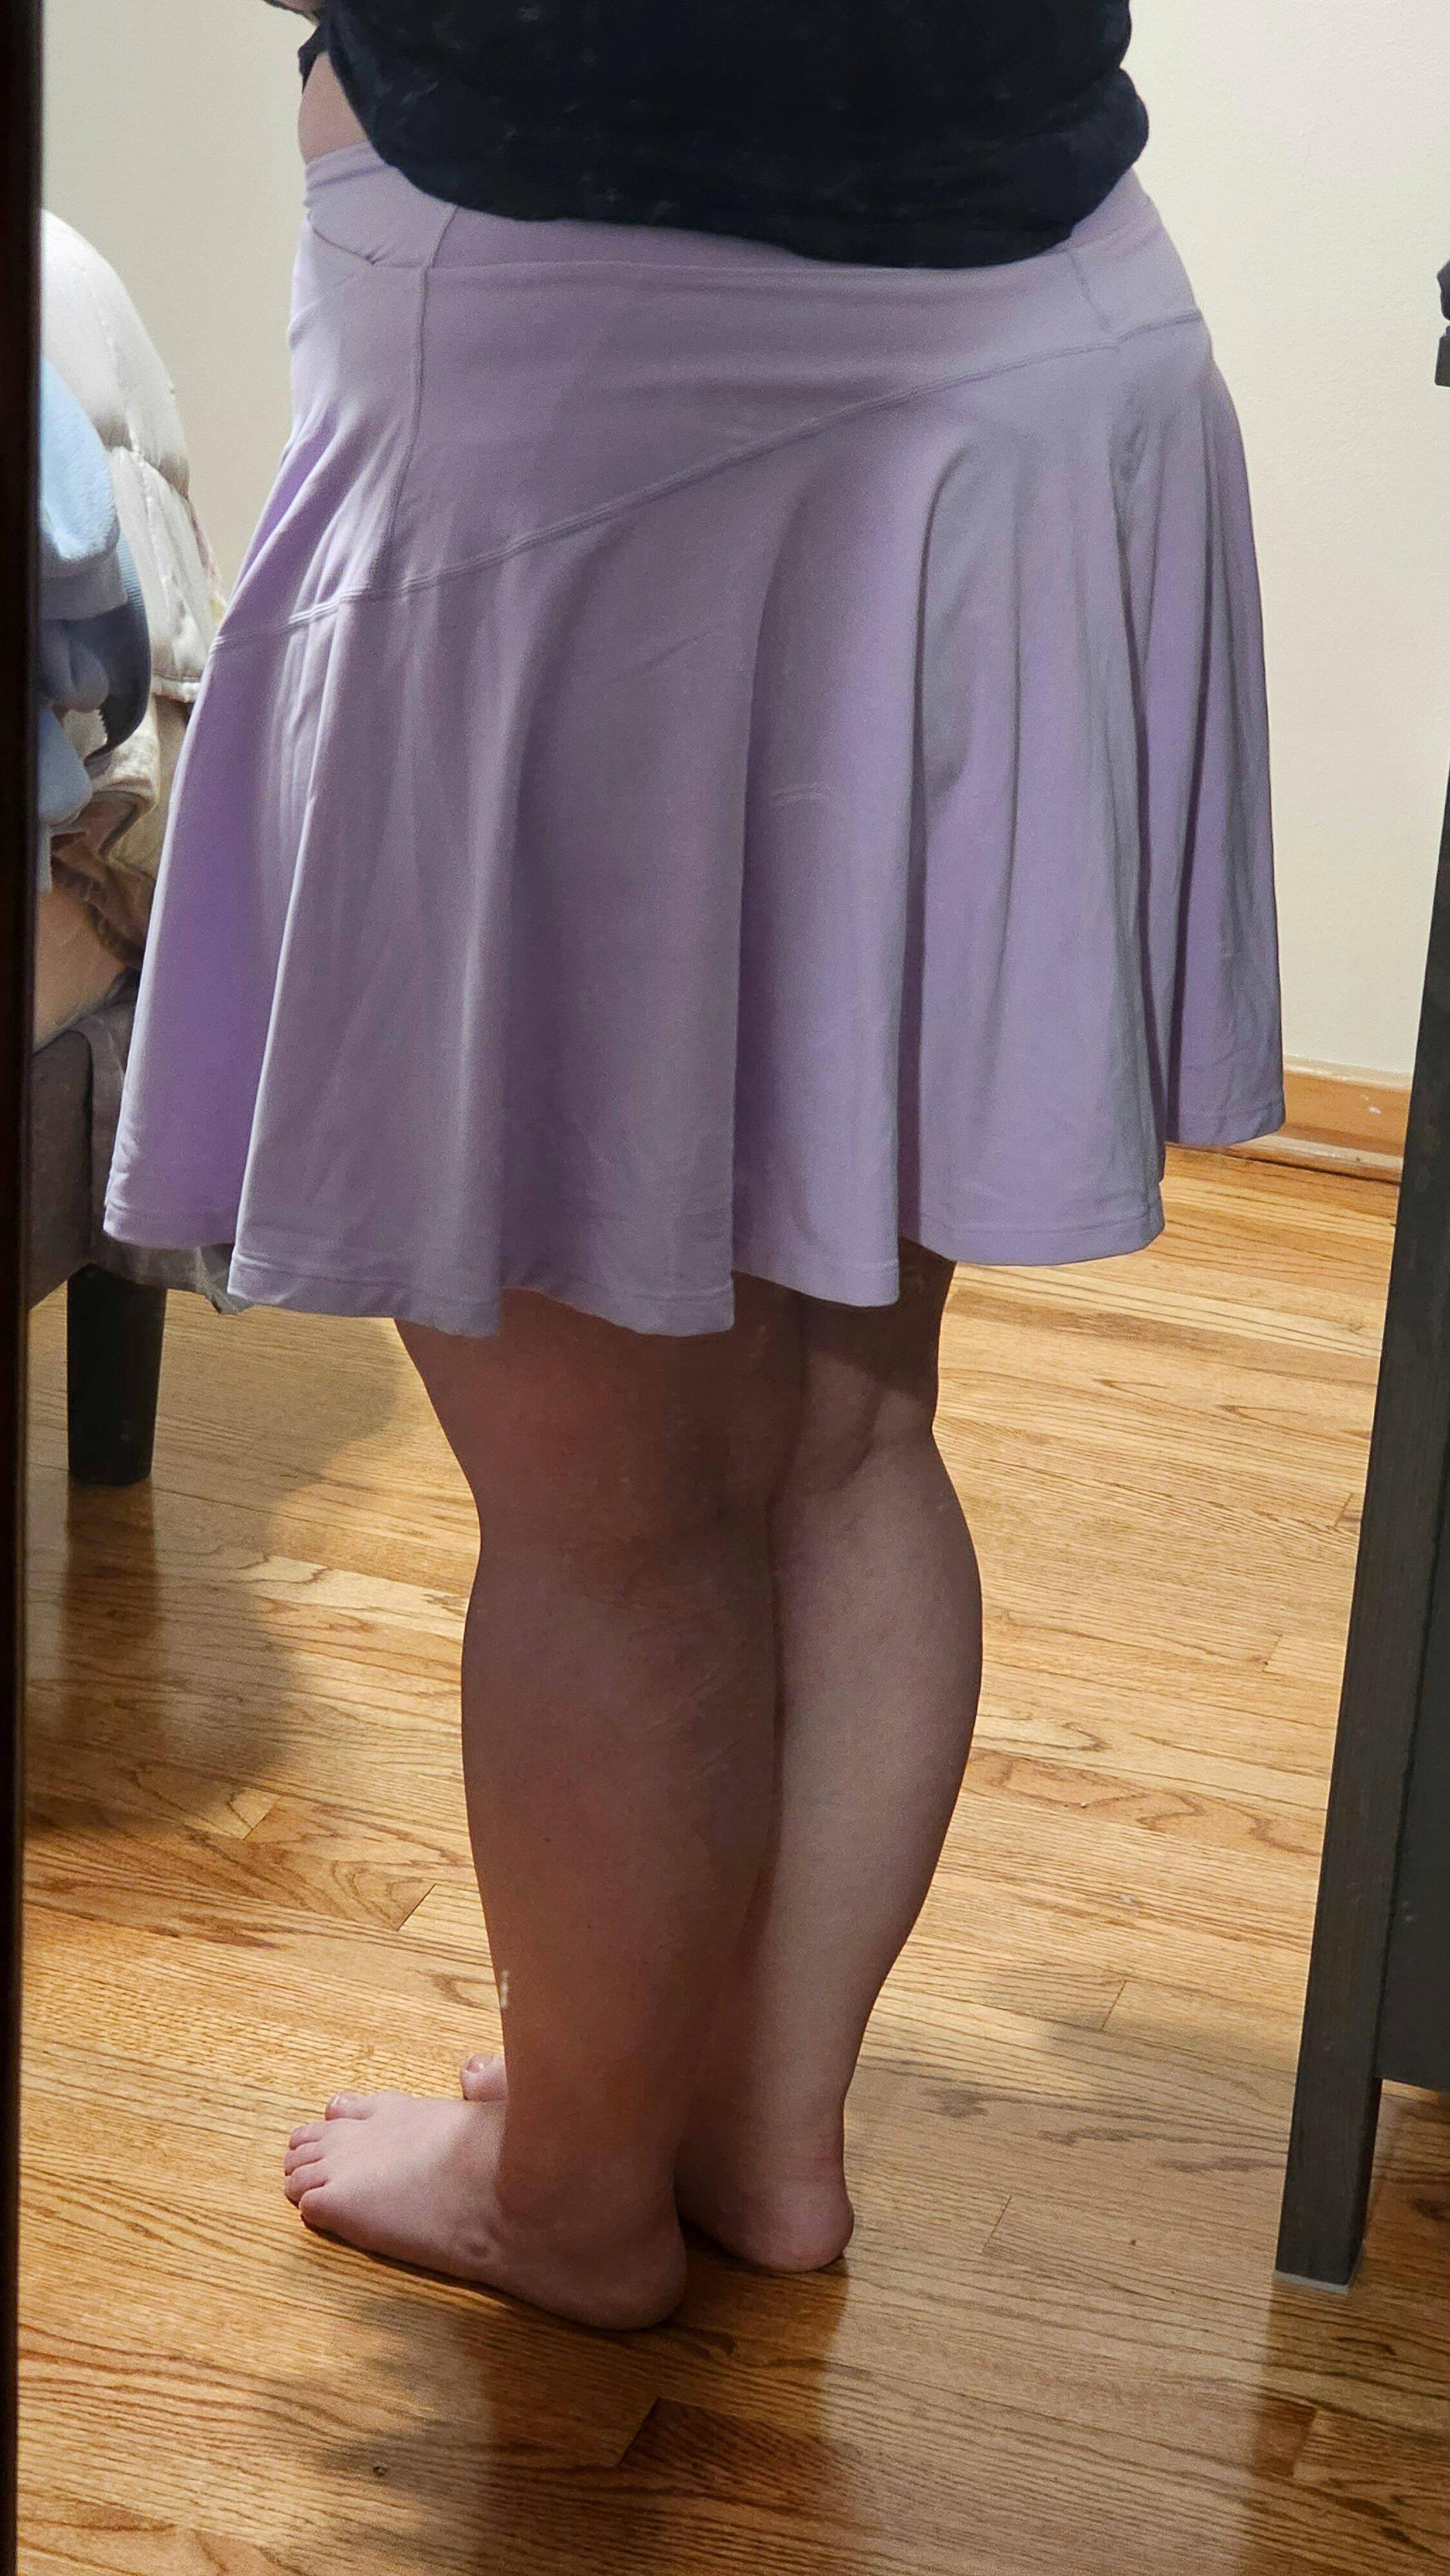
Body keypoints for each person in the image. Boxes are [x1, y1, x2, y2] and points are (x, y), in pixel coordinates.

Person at [104, 3, 1285, 2330]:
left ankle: (569, 2193)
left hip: (580, 385)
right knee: (846, 1422)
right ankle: (754, 2130)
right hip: (1034, 340)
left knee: (609, 1499)